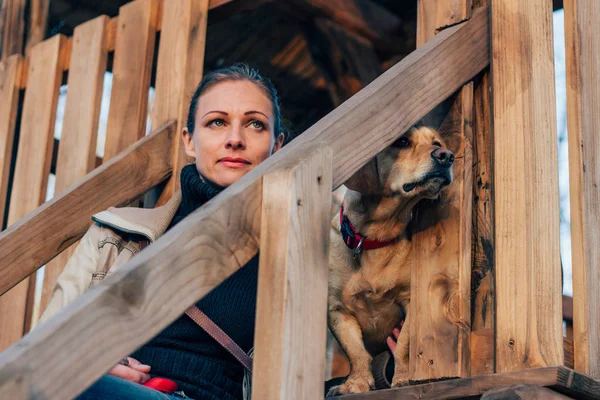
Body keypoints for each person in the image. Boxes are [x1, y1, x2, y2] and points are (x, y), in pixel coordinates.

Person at [40, 63, 285, 400]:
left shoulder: (299, 250)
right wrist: (85, 364)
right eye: (217, 122)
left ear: (278, 146)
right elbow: (43, 351)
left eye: (255, 124)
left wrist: (383, 367)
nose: (234, 139)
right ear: (189, 141)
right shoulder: (115, 234)